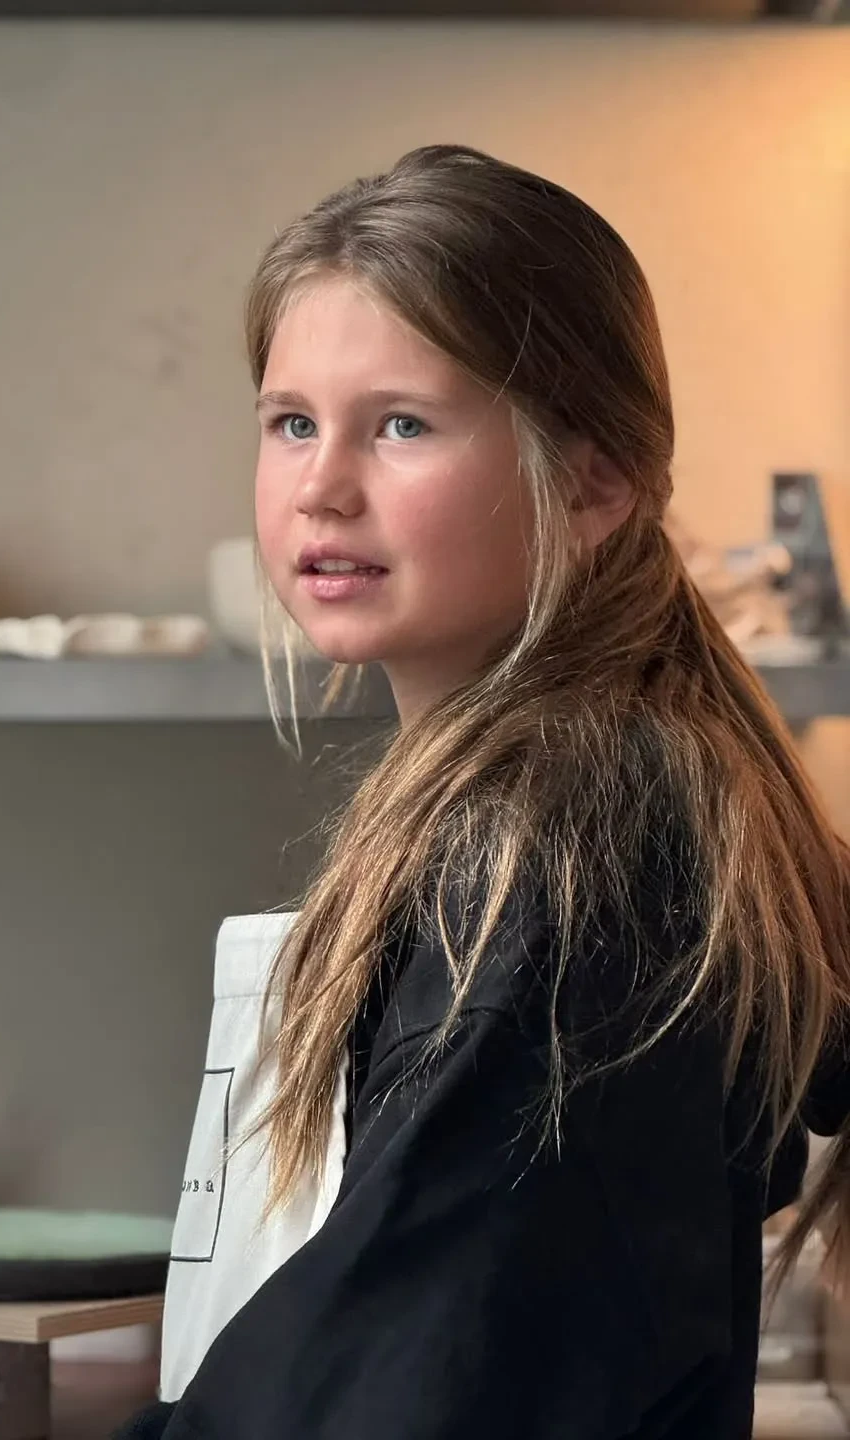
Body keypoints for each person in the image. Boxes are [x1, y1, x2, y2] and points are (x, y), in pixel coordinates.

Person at [117, 144, 850, 1440]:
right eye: (292, 422)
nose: (321, 487)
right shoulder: (602, 786)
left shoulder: (561, 863)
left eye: (401, 424)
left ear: (593, 479)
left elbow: (393, 1393)